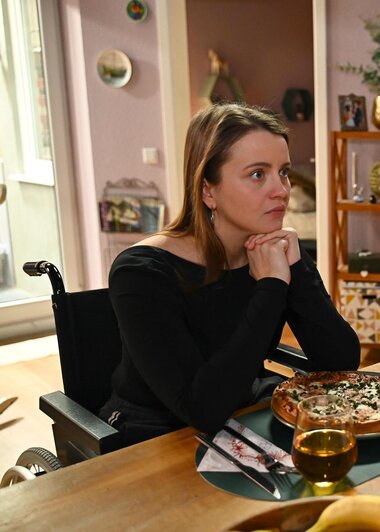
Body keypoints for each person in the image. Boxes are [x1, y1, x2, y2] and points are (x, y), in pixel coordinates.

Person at [99, 103, 360, 445]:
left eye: (283, 172)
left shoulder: (275, 251)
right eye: (257, 174)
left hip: (241, 413)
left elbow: (341, 363)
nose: (282, 190)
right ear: (208, 190)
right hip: (155, 434)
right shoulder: (141, 273)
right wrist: (271, 286)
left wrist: (297, 269)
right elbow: (202, 409)